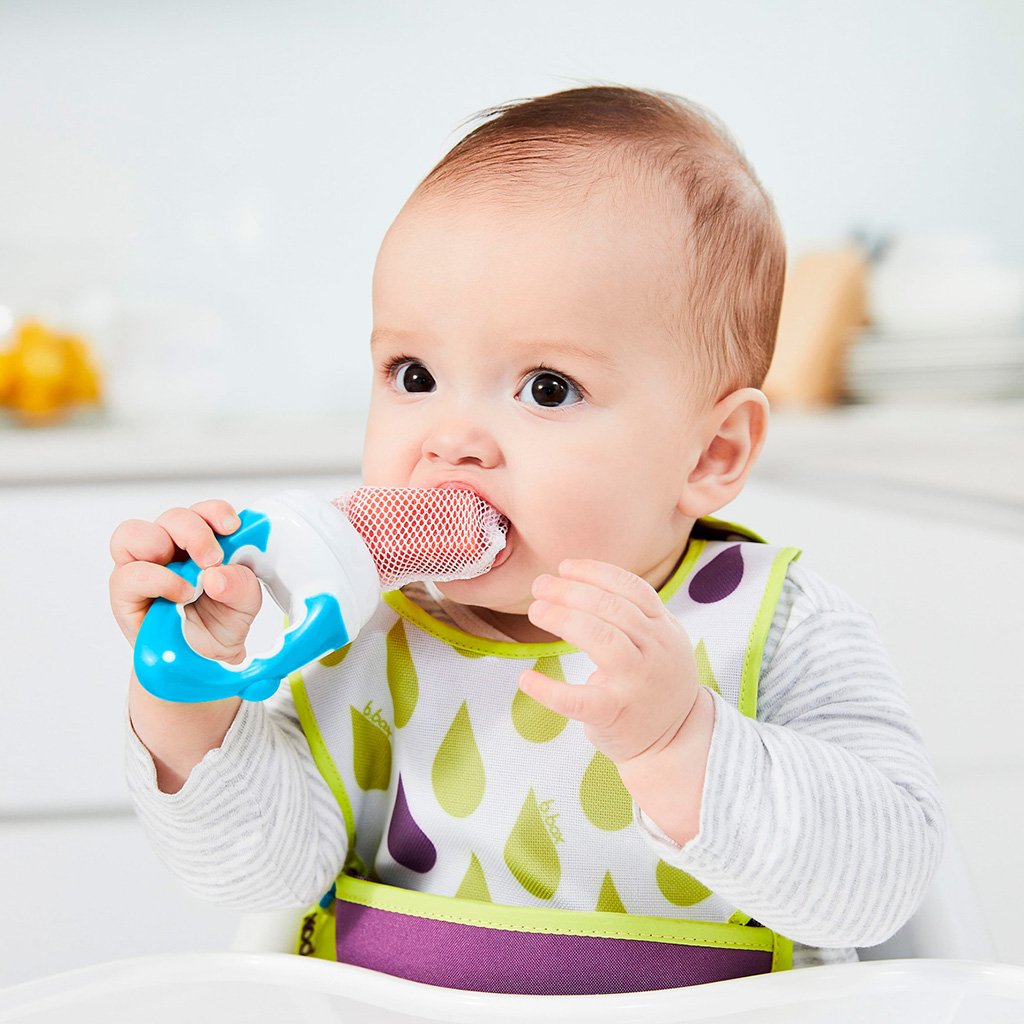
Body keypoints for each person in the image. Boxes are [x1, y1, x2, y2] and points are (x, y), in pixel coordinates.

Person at [110, 85, 944, 995]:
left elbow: (884, 884)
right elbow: (258, 878)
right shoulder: (358, 631)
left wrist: (683, 742)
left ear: (710, 453)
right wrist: (190, 697)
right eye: (414, 374)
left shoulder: (775, 626)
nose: (450, 438)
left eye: (547, 388)